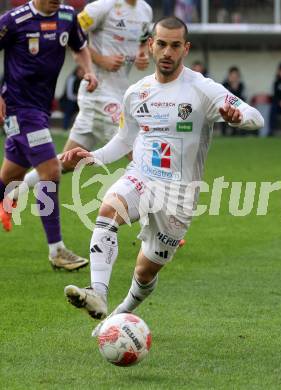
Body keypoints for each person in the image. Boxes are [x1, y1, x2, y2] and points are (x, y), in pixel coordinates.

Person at [61, 16, 264, 326]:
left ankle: (121, 311)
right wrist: (93, 155)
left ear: (185, 48)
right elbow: (125, 139)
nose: (167, 52)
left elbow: (255, 117)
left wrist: (237, 117)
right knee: (108, 208)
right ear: (151, 46)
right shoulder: (136, 92)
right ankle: (98, 293)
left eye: (175, 46)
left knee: (145, 271)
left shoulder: (201, 89)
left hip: (179, 195)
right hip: (141, 176)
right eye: (162, 45)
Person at [13, 0, 153, 208]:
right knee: (141, 152)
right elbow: (69, 33)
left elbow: (142, 41)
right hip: (99, 92)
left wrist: (143, 54)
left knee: (67, 162)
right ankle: (159, 226)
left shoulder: (145, 10)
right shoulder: (103, 7)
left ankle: (11, 193)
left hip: (120, 93)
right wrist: (100, 59)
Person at [0, 0, 98, 270]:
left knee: (9, 178)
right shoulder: (14, 20)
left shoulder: (68, 16)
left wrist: (88, 70)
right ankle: (56, 250)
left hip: (40, 109)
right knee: (51, 171)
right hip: (20, 110)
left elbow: (79, 47)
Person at [222, 66, 247, 136]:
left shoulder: (241, 86)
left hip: (238, 106)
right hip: (226, 106)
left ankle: (238, 133)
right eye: (232, 76)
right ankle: (224, 133)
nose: (234, 78)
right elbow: (223, 97)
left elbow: (243, 98)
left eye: (235, 76)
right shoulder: (225, 85)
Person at [59, 66, 84, 130]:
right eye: (80, 71)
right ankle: (65, 128)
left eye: (83, 71)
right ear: (77, 71)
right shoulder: (72, 78)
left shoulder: (83, 80)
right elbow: (69, 93)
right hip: (70, 100)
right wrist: (78, 98)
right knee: (68, 113)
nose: (82, 73)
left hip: (79, 100)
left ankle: (78, 128)